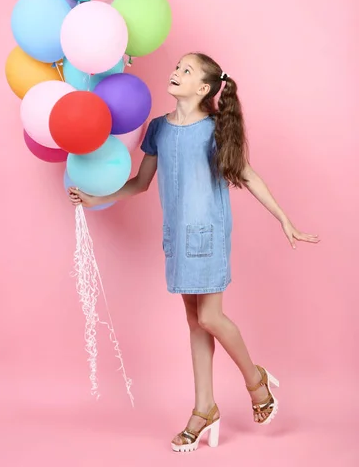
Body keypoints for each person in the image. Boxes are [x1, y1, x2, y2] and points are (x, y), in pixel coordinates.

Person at [69, 52, 319, 452]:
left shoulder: (216, 129)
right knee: (195, 322)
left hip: (209, 235)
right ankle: (204, 407)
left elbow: (248, 174)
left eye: (186, 71)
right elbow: (140, 184)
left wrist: (284, 219)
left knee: (210, 316)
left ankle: (255, 380)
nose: (176, 72)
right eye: (178, 67)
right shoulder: (158, 130)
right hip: (176, 238)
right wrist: (94, 198)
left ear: (204, 88)